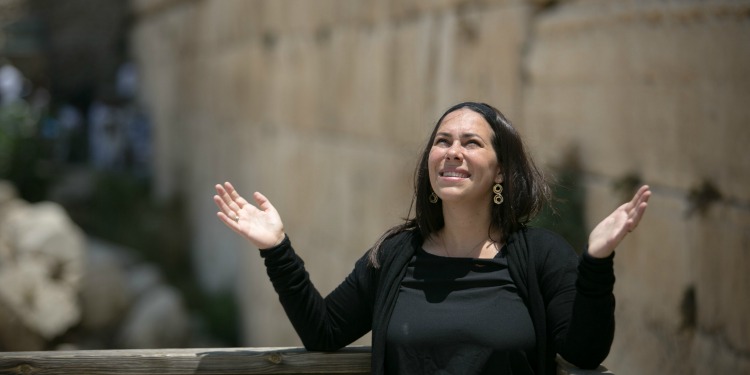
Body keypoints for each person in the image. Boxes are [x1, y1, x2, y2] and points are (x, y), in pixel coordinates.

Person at [213, 102, 651, 375]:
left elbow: (585, 352)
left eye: (471, 142)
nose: (452, 151)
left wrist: (597, 261)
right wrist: (276, 248)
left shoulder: (540, 255)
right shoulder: (395, 254)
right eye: (442, 141)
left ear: (501, 171)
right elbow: (325, 331)